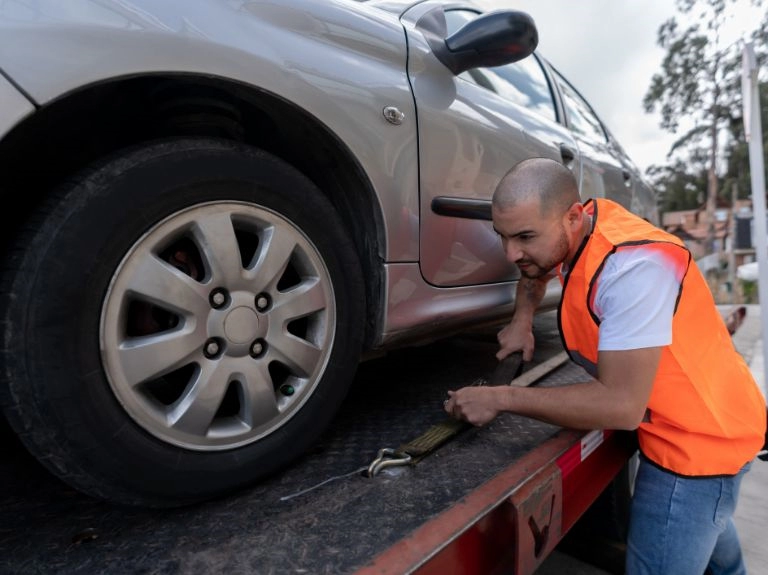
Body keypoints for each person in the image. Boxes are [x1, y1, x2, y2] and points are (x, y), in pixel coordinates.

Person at [443, 157, 767, 575]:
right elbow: (536, 268)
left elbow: (621, 406)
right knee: (721, 556)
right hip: (713, 416)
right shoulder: (576, 229)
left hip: (695, 445)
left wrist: (501, 398)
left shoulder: (633, 269)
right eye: (502, 237)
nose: (511, 253)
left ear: (572, 217)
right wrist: (522, 321)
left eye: (524, 236)